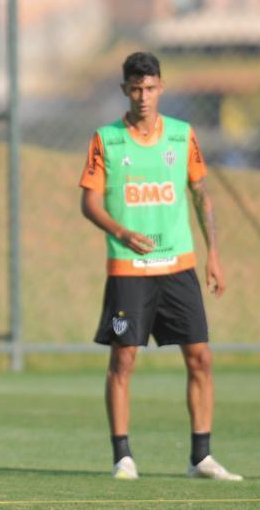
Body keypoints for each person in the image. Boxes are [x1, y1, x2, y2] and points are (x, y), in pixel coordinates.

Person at [79, 51, 241, 481]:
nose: (144, 96)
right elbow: (89, 202)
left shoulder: (182, 136)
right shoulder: (107, 139)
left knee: (200, 358)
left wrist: (215, 256)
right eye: (136, 88)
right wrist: (121, 231)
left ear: (161, 88)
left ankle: (201, 457)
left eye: (150, 88)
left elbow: (201, 194)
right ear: (124, 90)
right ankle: (123, 457)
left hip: (178, 264)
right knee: (124, 360)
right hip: (129, 268)